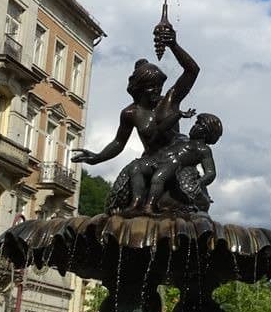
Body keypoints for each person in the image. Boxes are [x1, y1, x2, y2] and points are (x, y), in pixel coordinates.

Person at [72, 22, 201, 210]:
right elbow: (118, 143)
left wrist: (173, 45)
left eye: (159, 86)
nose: (157, 91)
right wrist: (98, 157)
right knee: (130, 179)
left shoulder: (170, 101)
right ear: (139, 89)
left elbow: (192, 71)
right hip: (151, 160)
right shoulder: (130, 113)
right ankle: (136, 206)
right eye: (152, 87)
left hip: (176, 160)